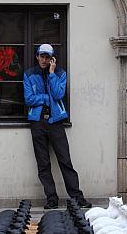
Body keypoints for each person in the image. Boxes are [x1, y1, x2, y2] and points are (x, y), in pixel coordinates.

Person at [23, 43, 91, 209]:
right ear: (37, 56)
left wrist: (52, 74)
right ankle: (51, 199)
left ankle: (77, 197)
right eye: (41, 56)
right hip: (37, 122)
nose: (44, 60)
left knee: (65, 160)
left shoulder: (60, 73)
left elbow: (59, 94)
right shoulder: (29, 74)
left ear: (52, 59)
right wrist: (46, 98)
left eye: (47, 57)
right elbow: (29, 99)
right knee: (43, 163)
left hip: (56, 122)